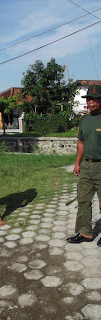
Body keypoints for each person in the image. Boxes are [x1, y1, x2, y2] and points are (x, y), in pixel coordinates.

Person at [67, 84, 101, 246]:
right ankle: (85, 232)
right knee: (83, 200)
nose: (91, 102)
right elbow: (81, 143)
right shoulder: (84, 119)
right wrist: (77, 164)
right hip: (87, 166)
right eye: (88, 99)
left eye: (94, 99)